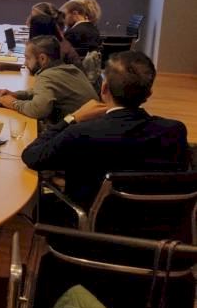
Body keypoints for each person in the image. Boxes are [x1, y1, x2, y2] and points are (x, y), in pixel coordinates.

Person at [21, 51, 189, 209]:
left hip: (90, 222)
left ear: (104, 89)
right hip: (159, 221)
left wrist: (71, 118)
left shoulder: (81, 132)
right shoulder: (175, 131)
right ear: (148, 94)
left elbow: (31, 156)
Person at [0, 36, 98, 127]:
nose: (25, 63)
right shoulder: (69, 68)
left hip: (79, 134)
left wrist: (13, 103)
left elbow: (38, 110)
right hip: (92, 128)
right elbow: (40, 91)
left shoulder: (47, 76)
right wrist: (16, 95)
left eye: (28, 58)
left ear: (42, 58)